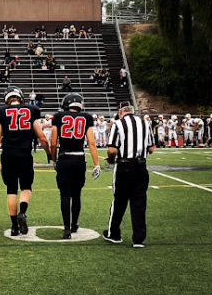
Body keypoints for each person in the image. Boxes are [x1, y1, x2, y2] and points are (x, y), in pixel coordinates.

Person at [0, 86, 50, 236]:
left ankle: (14, 226)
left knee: (11, 190)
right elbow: (42, 137)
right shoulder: (31, 110)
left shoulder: (0, 112)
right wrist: (50, 154)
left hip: (8, 154)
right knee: (26, 187)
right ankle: (22, 212)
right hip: (25, 154)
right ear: (20, 97)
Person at [103, 101, 155, 248]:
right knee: (139, 203)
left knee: (119, 201)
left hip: (124, 166)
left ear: (121, 111)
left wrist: (112, 160)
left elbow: (112, 150)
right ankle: (138, 239)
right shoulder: (145, 123)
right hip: (141, 167)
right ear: (132, 110)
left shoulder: (118, 124)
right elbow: (151, 148)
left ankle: (114, 234)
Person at [51, 93, 101, 239]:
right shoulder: (87, 117)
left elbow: (53, 143)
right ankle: (74, 224)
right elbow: (91, 142)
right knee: (77, 194)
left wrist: (54, 159)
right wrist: (96, 163)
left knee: (65, 195)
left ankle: (66, 227)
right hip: (79, 159)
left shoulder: (59, 116)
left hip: (64, 158)